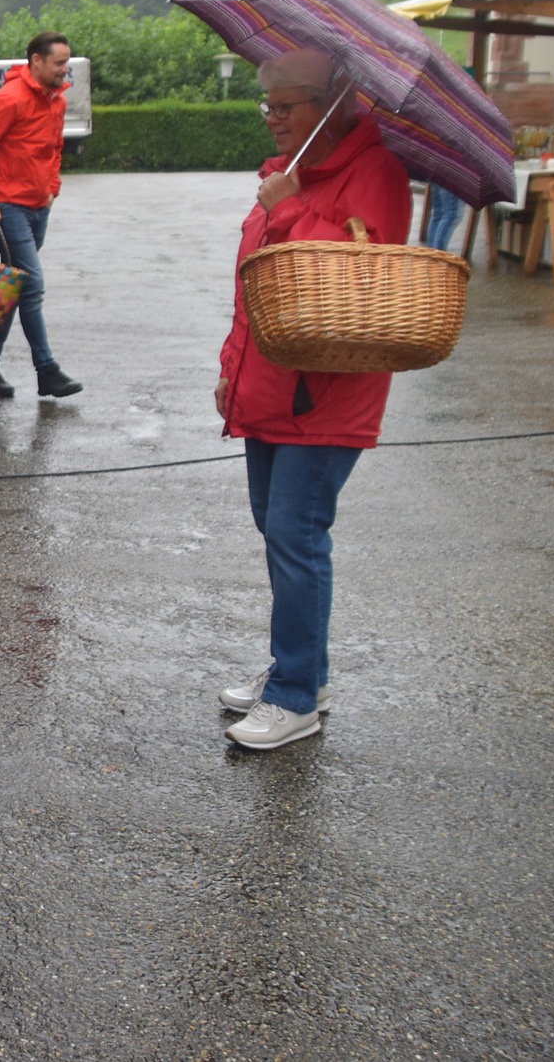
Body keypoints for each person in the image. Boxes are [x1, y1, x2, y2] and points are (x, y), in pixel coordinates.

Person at [214, 48, 410, 751]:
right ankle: (298, 671)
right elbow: (257, 292)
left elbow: (364, 280)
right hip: (271, 384)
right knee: (276, 525)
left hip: (326, 390)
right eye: (268, 106)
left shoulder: (374, 172)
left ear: (334, 103)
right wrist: (229, 369)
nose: (272, 119)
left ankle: (296, 693)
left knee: (296, 534)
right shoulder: (284, 176)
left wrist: (291, 209)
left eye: (286, 106)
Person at [0, 31, 83, 400]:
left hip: (36, 208)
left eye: (67, 62)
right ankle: (46, 371)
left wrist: (52, 189)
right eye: (59, 63)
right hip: (6, 209)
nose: (66, 69)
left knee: (10, 291)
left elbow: (54, 148)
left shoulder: (56, 102)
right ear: (36, 61)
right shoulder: (10, 98)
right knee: (31, 286)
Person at [423, 182, 465, 253]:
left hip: (439, 174)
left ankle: (431, 254)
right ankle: (438, 257)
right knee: (452, 215)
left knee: (439, 214)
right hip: (453, 176)